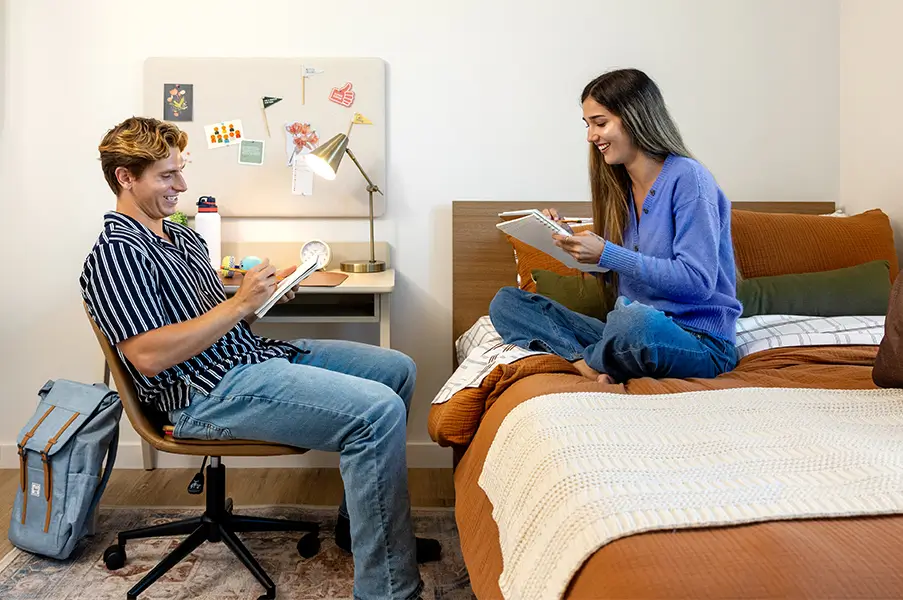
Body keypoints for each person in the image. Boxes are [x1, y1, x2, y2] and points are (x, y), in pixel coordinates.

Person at [79, 116, 437, 600]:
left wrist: (264, 296)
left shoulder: (180, 238)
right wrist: (239, 303)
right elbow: (148, 356)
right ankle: (387, 590)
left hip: (250, 361)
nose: (181, 186)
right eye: (167, 175)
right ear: (125, 177)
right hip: (202, 397)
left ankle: (363, 532)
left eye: (181, 171)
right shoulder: (116, 255)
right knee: (377, 414)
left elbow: (222, 323)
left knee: (397, 370)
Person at [490, 68, 741, 384]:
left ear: (635, 118)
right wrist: (566, 241)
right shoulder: (619, 188)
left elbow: (698, 282)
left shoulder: (689, 179)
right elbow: (613, 267)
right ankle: (589, 363)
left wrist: (607, 253)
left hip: (697, 341)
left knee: (634, 322)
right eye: (588, 125)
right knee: (507, 303)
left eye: (600, 123)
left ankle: (593, 358)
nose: (591, 136)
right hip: (626, 331)